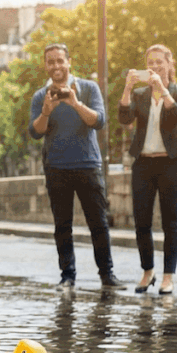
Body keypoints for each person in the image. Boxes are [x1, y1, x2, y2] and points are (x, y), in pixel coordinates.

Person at [29, 43, 125, 290]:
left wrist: (74, 103)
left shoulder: (89, 88)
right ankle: (67, 276)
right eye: (51, 62)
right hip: (56, 167)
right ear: (46, 65)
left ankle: (107, 275)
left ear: (69, 61)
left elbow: (99, 121)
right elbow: (36, 132)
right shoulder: (41, 97)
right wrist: (47, 112)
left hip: (88, 165)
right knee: (63, 226)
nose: (56, 66)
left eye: (60, 60)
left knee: (99, 223)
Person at [118, 44, 177, 296]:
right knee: (142, 222)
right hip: (143, 164)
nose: (155, 66)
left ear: (170, 63)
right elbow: (124, 118)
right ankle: (148, 272)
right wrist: (127, 87)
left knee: (171, 223)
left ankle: (168, 277)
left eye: (160, 61)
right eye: (150, 62)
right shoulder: (139, 94)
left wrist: (162, 90)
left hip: (171, 163)